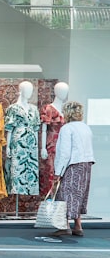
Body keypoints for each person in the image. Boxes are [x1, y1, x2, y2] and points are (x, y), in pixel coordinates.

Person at [50, 101, 95, 237]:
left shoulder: (67, 128)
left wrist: (58, 172)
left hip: (73, 164)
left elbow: (64, 153)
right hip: (86, 164)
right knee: (79, 194)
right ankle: (78, 225)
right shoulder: (86, 127)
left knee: (64, 194)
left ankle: (64, 226)